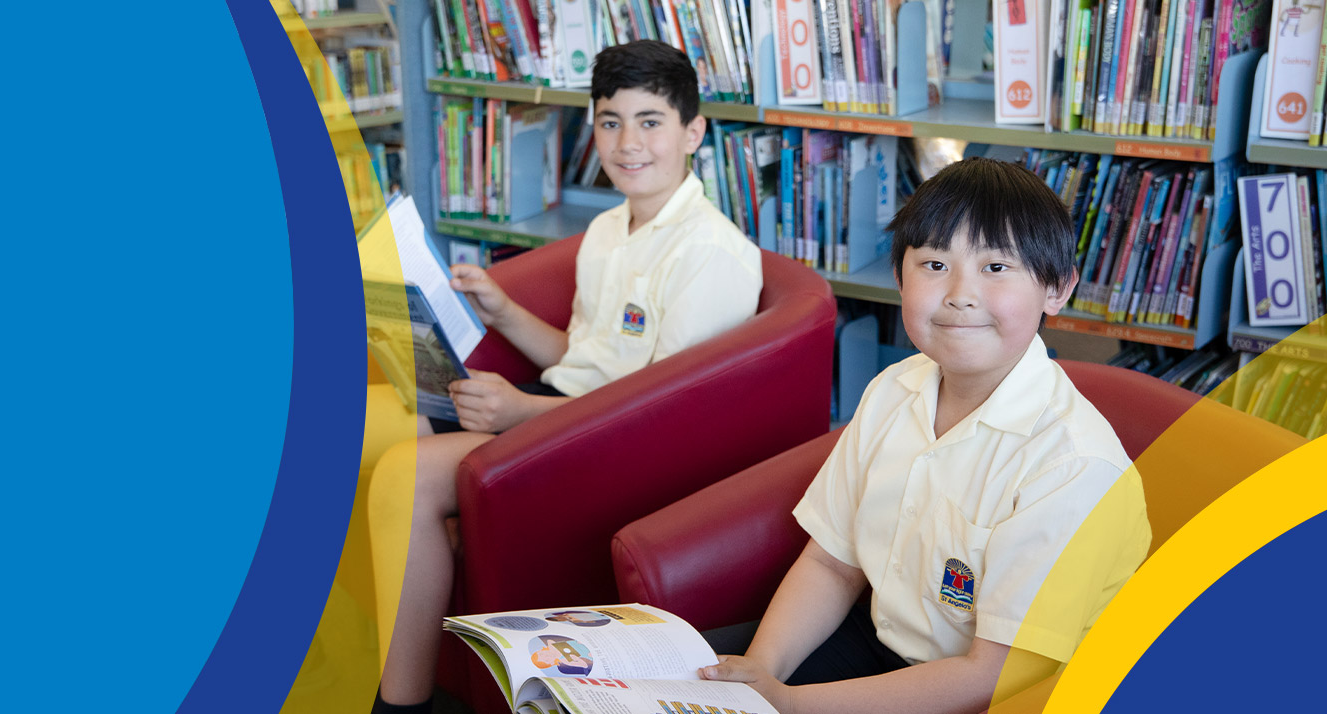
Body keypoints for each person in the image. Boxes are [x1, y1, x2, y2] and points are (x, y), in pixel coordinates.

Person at [367, 40, 763, 714]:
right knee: (359, 422)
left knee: (407, 475)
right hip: (563, 407)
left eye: (650, 122)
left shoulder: (713, 255)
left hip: (610, 444)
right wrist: (503, 310)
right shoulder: (608, 228)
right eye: (610, 122)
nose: (627, 143)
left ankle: (400, 705)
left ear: (693, 132)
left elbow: (655, 418)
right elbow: (581, 355)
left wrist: (520, 413)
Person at [696, 158, 1152, 714]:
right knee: (688, 682)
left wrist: (788, 704)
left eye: (996, 267)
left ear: (1056, 289)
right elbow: (832, 564)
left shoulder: (1074, 466)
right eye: (935, 264)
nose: (960, 293)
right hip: (880, 641)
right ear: (900, 278)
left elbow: (993, 675)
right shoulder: (895, 388)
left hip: (997, 696)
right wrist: (761, 676)